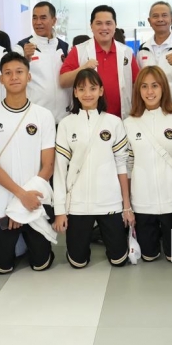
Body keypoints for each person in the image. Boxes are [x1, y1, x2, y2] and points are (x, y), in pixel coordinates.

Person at [0, 52, 57, 273]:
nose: (14, 77)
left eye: (19, 72)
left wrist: (25, 201)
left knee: (41, 264)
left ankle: (24, 242)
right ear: (1, 79)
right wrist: (18, 201)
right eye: (8, 73)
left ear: (29, 77)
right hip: (2, 201)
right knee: (1, 267)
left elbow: (48, 166)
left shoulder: (43, 115)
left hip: (36, 198)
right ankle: (14, 243)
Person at [53, 68, 133, 268]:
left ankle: (104, 235)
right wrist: (60, 211)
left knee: (119, 260)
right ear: (75, 93)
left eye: (92, 88)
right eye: (81, 89)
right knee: (77, 262)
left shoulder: (114, 123)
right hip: (78, 204)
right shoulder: (65, 124)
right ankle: (87, 236)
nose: (87, 93)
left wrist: (126, 206)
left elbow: (122, 166)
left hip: (110, 202)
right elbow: (60, 171)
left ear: (101, 91)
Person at [124, 66, 172, 262]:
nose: (150, 92)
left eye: (155, 86)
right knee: (149, 256)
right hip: (143, 202)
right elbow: (127, 166)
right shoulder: (128, 124)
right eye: (144, 86)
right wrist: (129, 205)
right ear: (138, 90)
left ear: (163, 88)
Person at [59, 5, 139, 119]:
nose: (104, 27)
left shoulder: (126, 52)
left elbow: (137, 83)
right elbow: (63, 81)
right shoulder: (79, 50)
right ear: (91, 26)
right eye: (99, 23)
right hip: (88, 120)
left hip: (122, 118)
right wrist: (83, 68)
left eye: (108, 23)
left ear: (115, 25)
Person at [14, 1, 72, 123]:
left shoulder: (65, 47)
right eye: (34, 18)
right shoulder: (21, 47)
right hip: (35, 119)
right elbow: (13, 77)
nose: (38, 22)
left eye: (43, 18)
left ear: (54, 20)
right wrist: (25, 58)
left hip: (64, 118)